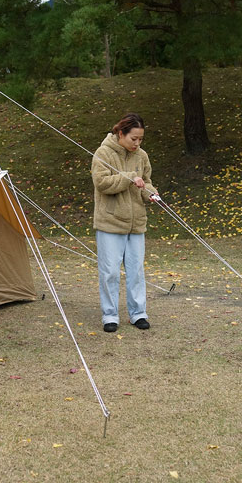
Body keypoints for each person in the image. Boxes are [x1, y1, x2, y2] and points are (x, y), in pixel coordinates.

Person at [91, 113, 158, 333]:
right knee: (110, 271)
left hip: (136, 223)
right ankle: (110, 316)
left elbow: (146, 183)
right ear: (121, 133)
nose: (137, 143)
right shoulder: (103, 153)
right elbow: (102, 183)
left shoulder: (142, 156)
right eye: (133, 139)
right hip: (110, 223)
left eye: (141, 139)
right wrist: (128, 177)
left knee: (136, 271)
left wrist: (151, 194)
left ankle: (138, 313)